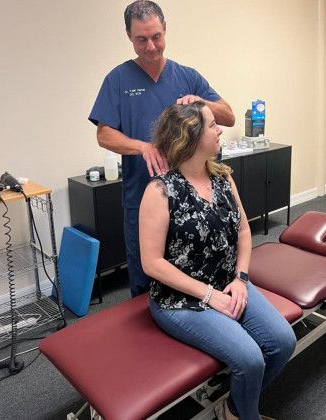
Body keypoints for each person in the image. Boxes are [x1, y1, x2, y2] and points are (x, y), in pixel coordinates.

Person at [139, 101, 296, 420]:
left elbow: (243, 232)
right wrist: (208, 295)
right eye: (212, 125)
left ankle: (234, 409)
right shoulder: (160, 191)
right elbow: (151, 263)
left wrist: (241, 279)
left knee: (283, 342)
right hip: (180, 301)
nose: (220, 129)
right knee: (250, 359)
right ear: (191, 136)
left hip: (229, 285)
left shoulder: (223, 177)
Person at [89, 0, 235, 297]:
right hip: (144, 196)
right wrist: (142, 147)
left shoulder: (187, 76)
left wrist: (200, 101)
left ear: (165, 30)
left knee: (199, 270)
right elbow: (104, 135)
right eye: (141, 39)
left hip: (191, 199)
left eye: (156, 37)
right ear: (129, 36)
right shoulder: (117, 80)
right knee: (146, 280)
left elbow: (228, 116)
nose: (151, 46)